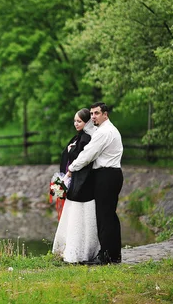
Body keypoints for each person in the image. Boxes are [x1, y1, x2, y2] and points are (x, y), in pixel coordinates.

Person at [67, 102, 124, 264]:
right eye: (91, 114)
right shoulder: (108, 130)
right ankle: (113, 255)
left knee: (104, 216)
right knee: (110, 216)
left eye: (96, 113)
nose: (93, 117)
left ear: (105, 114)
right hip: (112, 174)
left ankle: (105, 256)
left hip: (106, 175)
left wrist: (71, 168)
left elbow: (88, 155)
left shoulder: (104, 132)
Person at [52, 108, 100, 263]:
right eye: (75, 121)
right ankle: (69, 248)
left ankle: (81, 251)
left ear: (86, 122)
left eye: (79, 121)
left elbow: (82, 159)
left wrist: (71, 153)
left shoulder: (86, 138)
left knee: (81, 216)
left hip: (82, 183)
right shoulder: (78, 137)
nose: (76, 123)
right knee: (72, 215)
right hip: (74, 180)